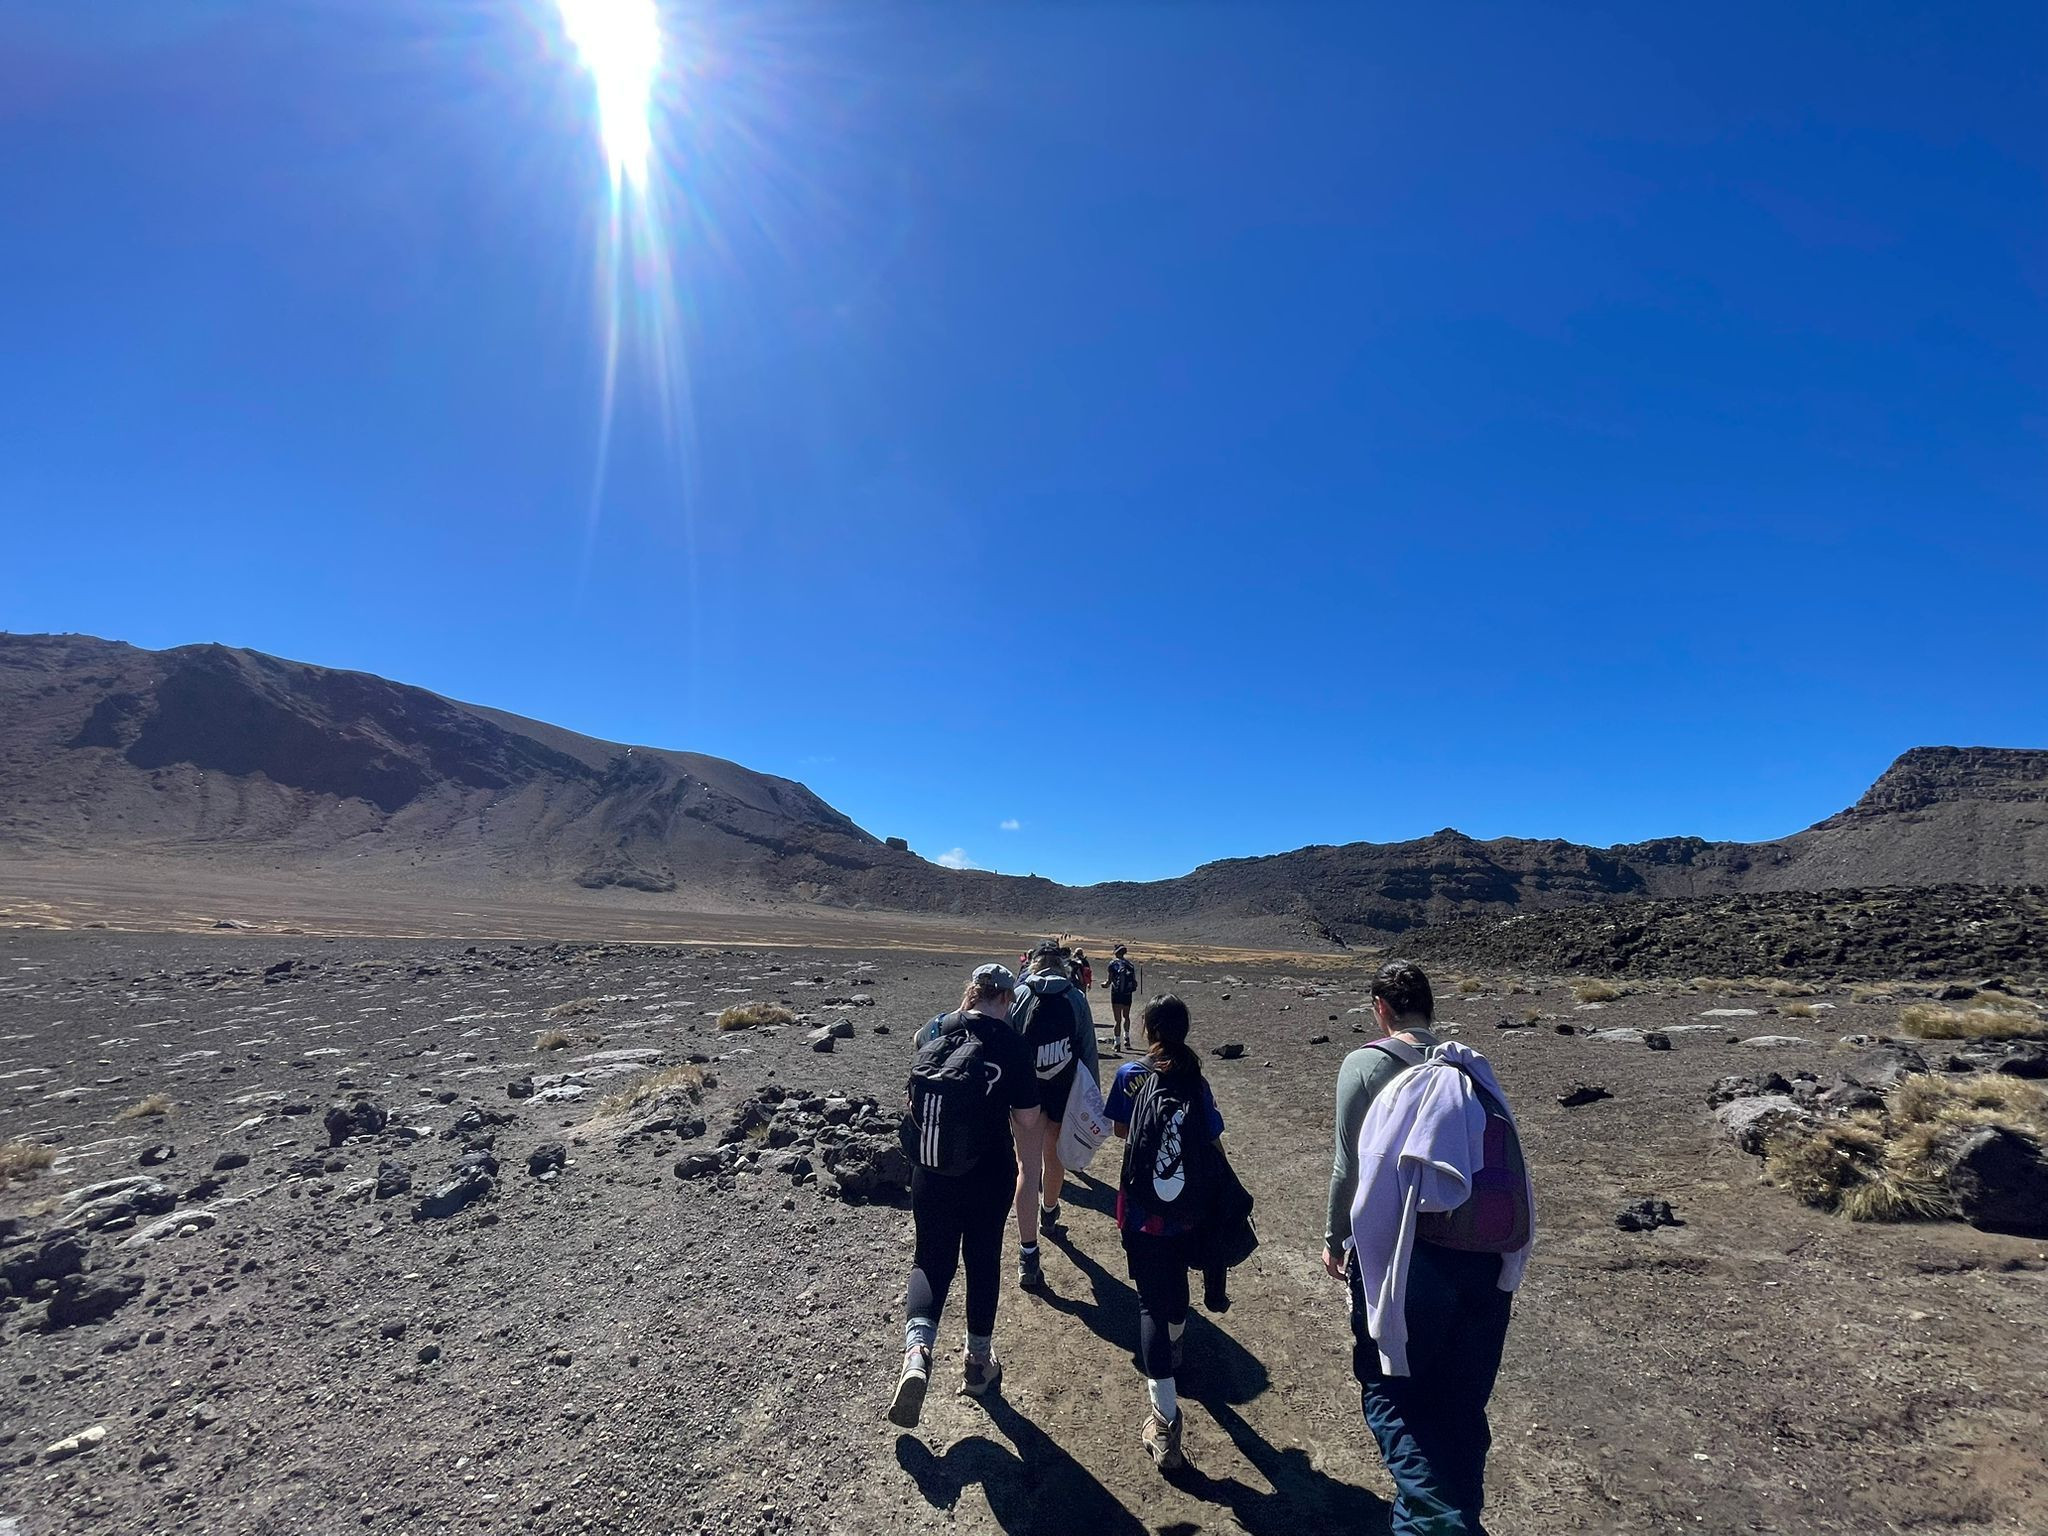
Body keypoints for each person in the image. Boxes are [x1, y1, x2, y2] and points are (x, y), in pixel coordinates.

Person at [1323, 960, 1532, 1534]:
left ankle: (1434, 1524)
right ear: (1429, 1008)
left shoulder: (1365, 1064)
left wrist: (1334, 1237)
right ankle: (1458, 1516)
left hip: (1411, 1259)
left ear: (1380, 1008)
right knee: (1461, 1408)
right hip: (1489, 1263)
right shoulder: (1469, 1070)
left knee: (1394, 1398)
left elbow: (1348, 1166)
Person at [889, 963, 1044, 1428]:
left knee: (929, 1260)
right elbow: (1029, 1118)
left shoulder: (937, 1027)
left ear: (972, 992)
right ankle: (978, 1364)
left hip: (930, 1170)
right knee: (982, 1259)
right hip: (988, 1172)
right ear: (1007, 999)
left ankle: (917, 1355)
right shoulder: (1012, 1044)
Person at [1105, 993, 1227, 1472]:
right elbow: (1213, 1136)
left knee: (1150, 1302)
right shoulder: (1196, 1078)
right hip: (1190, 1210)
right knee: (1176, 1288)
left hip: (1142, 1211)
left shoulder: (1130, 1076)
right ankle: (1176, 1339)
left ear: (1148, 1029)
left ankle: (1164, 1421)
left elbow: (1120, 1131)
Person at [1011, 939, 1099, 1292]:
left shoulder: (1020, 995)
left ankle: (1028, 1254)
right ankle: (1049, 1214)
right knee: (1054, 1159)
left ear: (1032, 962)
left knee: (1026, 1169)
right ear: (1061, 964)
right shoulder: (1075, 998)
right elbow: (1088, 1051)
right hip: (1063, 1093)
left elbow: (1006, 1045)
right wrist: (1092, 1100)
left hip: (1026, 1097)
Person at [1105, 944, 1140, 1053]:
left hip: (1116, 994)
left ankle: (1117, 1043)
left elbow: (1108, 982)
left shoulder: (1112, 964)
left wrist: (1104, 985)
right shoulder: (1130, 964)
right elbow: (1134, 982)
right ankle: (1127, 1038)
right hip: (1127, 994)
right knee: (1126, 1016)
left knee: (1117, 1020)